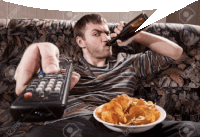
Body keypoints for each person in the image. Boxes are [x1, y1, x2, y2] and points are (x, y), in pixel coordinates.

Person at [14, 14, 200, 137]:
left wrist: (137, 35)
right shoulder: (66, 65)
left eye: (107, 33)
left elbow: (175, 53)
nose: (106, 38)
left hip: (128, 127)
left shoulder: (128, 61)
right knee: (36, 134)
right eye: (96, 34)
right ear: (81, 41)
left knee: (193, 130)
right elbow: (30, 92)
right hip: (82, 124)